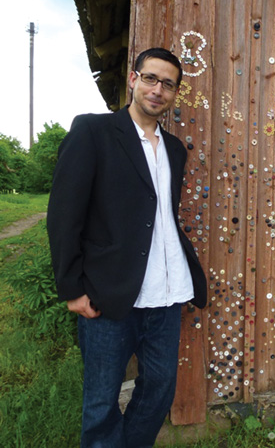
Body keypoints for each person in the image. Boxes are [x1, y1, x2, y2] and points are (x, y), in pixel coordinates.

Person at [47, 47, 207, 447]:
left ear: (174, 94)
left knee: (159, 391)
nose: (157, 90)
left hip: (167, 294)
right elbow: (64, 215)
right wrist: (72, 288)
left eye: (168, 84)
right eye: (150, 78)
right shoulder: (93, 132)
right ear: (134, 79)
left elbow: (160, 214)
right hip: (109, 292)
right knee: (101, 403)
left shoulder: (174, 149)